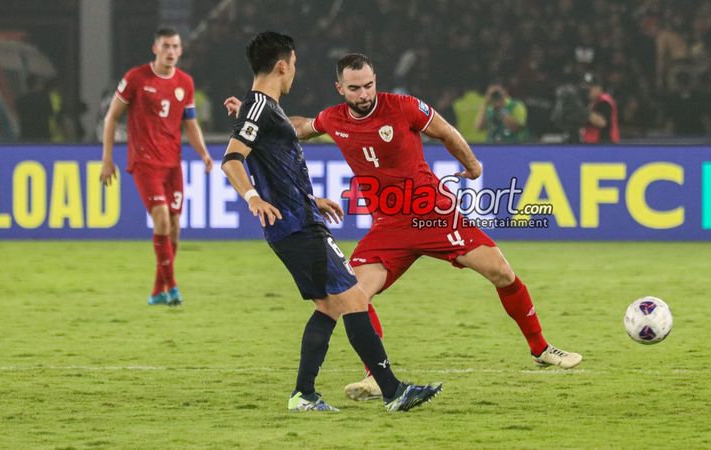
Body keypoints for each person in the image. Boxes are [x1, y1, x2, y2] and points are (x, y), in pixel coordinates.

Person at [226, 53, 583, 402]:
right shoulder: (334, 119)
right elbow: (298, 127)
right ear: (339, 88)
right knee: (354, 296)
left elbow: (445, 131)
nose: (363, 94)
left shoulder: (403, 106)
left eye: (368, 85)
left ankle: (541, 348)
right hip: (389, 227)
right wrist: (249, 119)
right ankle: (375, 377)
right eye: (354, 89)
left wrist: (472, 165)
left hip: (434, 215)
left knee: (501, 273)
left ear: (375, 81)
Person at [221, 32, 441, 412]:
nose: (294, 73)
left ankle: (303, 394)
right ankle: (393, 391)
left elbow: (273, 157)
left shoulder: (262, 109)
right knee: (354, 298)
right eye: (294, 65)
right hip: (297, 228)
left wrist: (312, 199)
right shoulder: (259, 107)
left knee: (328, 307)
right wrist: (253, 197)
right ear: (282, 65)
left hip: (299, 219)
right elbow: (231, 159)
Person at [99, 28, 213, 306]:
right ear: (155, 48)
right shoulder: (136, 78)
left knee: (174, 226)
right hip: (144, 162)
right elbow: (111, 118)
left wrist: (204, 154)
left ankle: (156, 291)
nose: (171, 51)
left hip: (172, 163)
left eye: (175, 46)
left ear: (181, 50)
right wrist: (107, 159)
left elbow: (191, 124)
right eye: (166, 46)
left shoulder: (185, 82)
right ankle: (172, 288)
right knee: (161, 217)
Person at [580, 73, 620, 144]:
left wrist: (581, 111)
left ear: (599, 87)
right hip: (594, 144)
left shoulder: (604, 102)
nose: (588, 90)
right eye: (586, 87)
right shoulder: (592, 101)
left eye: (591, 87)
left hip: (605, 144)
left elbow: (602, 122)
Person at [16, 76, 52, 141]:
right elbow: (50, 114)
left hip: (26, 135)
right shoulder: (44, 99)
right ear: (36, 85)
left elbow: (18, 115)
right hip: (42, 134)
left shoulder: (20, 100)